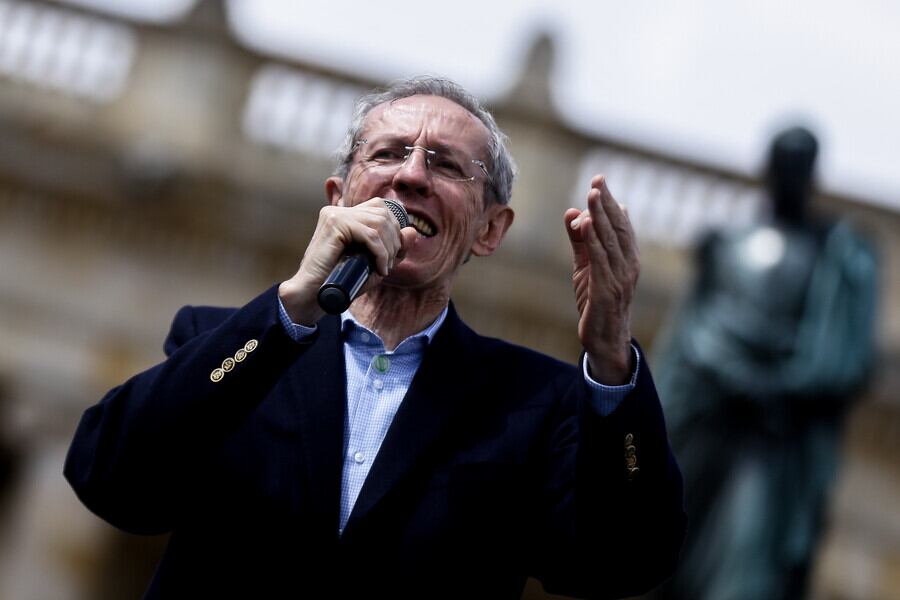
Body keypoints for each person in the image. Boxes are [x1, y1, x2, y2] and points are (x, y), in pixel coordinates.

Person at [65, 76, 685, 599]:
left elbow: (625, 561)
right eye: (387, 154)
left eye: (445, 164)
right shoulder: (226, 345)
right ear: (338, 198)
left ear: (490, 231)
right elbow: (113, 480)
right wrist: (292, 306)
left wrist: (608, 356)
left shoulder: (538, 402)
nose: (411, 175)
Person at [652, 127, 878, 600]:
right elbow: (692, 333)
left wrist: (774, 387)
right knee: (662, 561)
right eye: (784, 166)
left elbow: (845, 357)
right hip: (708, 419)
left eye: (801, 168)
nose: (791, 179)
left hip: (773, 440)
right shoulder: (726, 244)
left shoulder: (836, 253)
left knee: (746, 576)